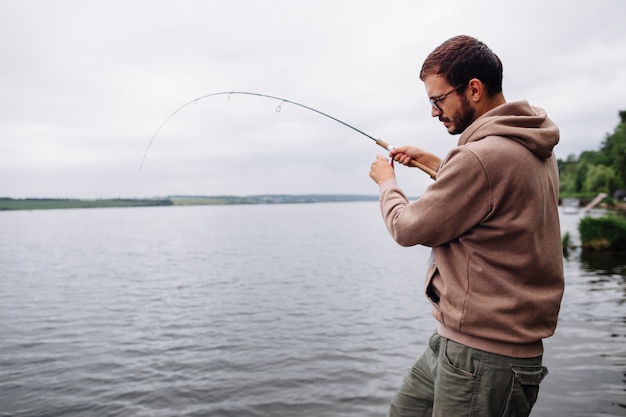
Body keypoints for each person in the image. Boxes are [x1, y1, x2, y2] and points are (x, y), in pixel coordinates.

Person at [369, 35, 565, 417]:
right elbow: (490, 199)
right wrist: (437, 164)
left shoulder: (482, 156)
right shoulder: (529, 141)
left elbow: (407, 228)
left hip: (486, 357)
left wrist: (386, 183)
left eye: (437, 99)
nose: (433, 112)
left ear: (473, 89)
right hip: (458, 343)